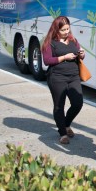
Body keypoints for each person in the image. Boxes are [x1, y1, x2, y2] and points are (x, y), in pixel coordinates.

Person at [41, 16, 85, 145]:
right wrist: (64, 57)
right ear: (56, 30)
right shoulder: (49, 42)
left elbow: (80, 53)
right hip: (57, 77)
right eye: (63, 30)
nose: (66, 32)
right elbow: (47, 60)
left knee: (78, 103)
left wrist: (82, 54)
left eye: (68, 29)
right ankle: (62, 133)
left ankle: (66, 124)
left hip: (74, 76)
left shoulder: (73, 40)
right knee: (59, 105)